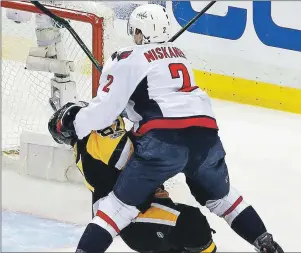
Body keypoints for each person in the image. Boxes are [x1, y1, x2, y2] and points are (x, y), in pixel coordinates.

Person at [52, 4, 284, 253]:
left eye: (135, 32)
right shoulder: (179, 54)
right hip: (206, 136)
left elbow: (103, 112)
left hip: (163, 141)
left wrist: (74, 125)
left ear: (140, 33)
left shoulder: (127, 57)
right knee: (224, 198)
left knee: (115, 210)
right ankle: (265, 242)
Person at [48, 104, 217, 253]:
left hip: (133, 219)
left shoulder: (85, 148)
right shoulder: (94, 139)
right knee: (192, 223)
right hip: (135, 218)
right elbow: (135, 159)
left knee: (182, 235)